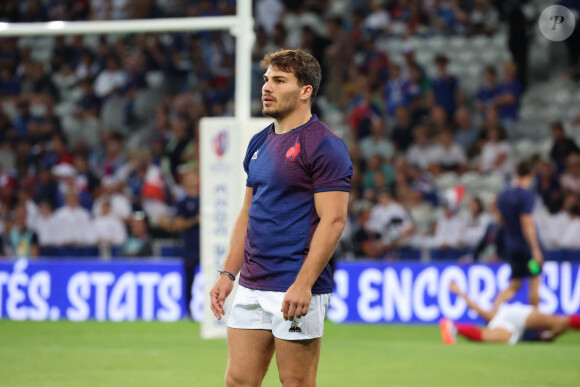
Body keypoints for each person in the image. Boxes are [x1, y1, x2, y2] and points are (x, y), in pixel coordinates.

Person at [209, 49, 352, 387]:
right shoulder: (259, 142)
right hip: (252, 284)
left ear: (306, 91)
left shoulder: (324, 146)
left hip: (294, 284)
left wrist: (303, 284)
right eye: (266, 79)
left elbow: (333, 221)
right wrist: (229, 273)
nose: (266, 87)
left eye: (279, 80)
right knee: (238, 381)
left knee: (296, 383)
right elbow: (247, 213)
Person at [440, 282, 580, 345]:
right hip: (516, 317)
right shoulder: (495, 314)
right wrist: (460, 293)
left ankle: (454, 327)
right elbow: (478, 309)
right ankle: (453, 327)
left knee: (486, 337)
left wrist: (460, 293)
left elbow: (478, 309)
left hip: (514, 326)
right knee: (559, 321)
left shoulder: (495, 317)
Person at [494, 159, 543, 309]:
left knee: (514, 284)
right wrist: (535, 248)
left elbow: (500, 219)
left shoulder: (504, 195)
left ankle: (492, 312)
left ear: (517, 172)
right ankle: (535, 319)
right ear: (532, 174)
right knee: (535, 279)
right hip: (527, 249)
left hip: (512, 246)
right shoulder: (526, 196)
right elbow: (526, 222)